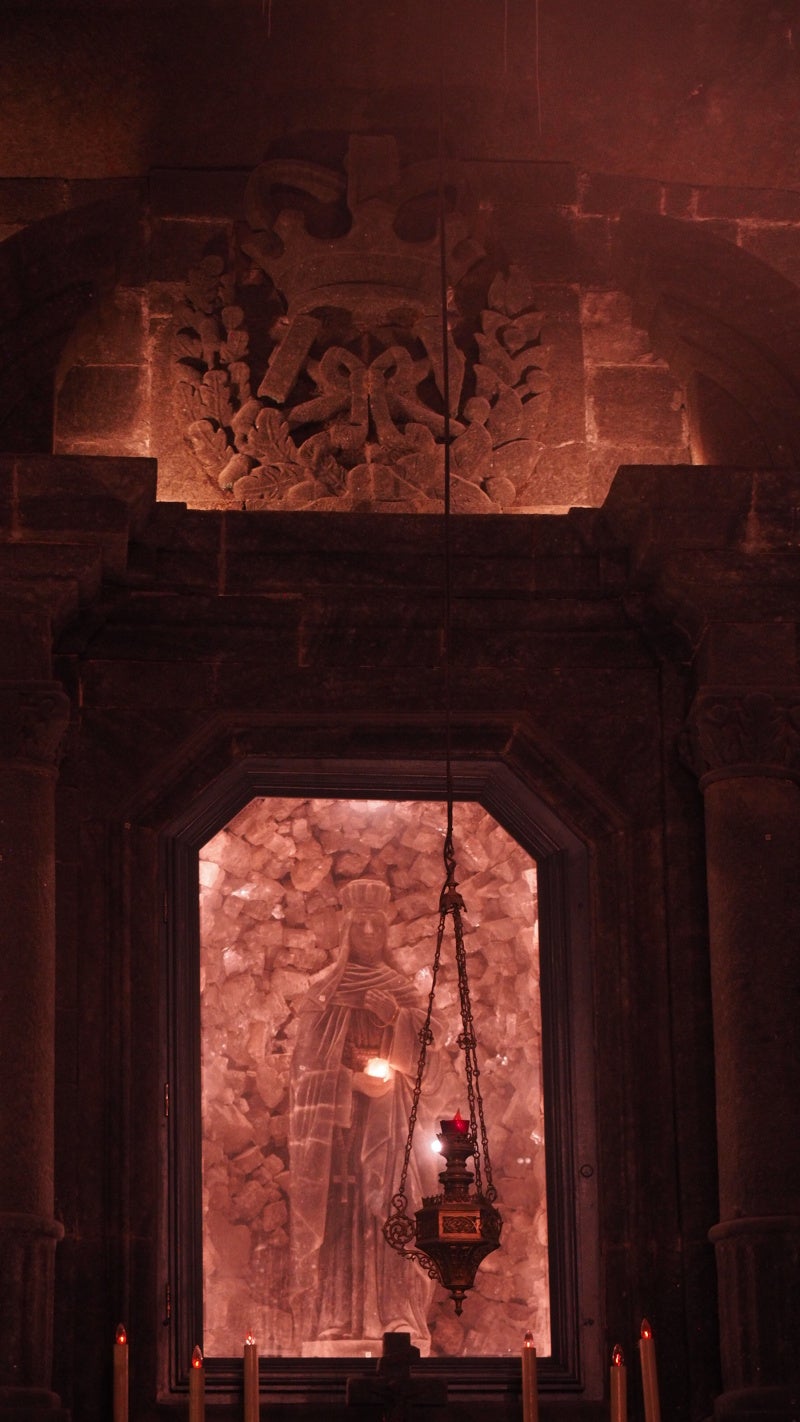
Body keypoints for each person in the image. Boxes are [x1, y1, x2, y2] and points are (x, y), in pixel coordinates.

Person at [288, 878, 436, 1352]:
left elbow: (434, 1064)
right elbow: (303, 1070)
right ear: (346, 929)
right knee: (343, 1211)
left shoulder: (403, 992)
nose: (369, 931)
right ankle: (336, 1316)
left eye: (377, 923)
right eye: (361, 924)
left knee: (391, 1208)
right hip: (341, 1129)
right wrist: (350, 1081)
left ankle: (397, 1313)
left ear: (387, 930)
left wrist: (396, 1019)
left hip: (391, 1123)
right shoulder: (325, 992)